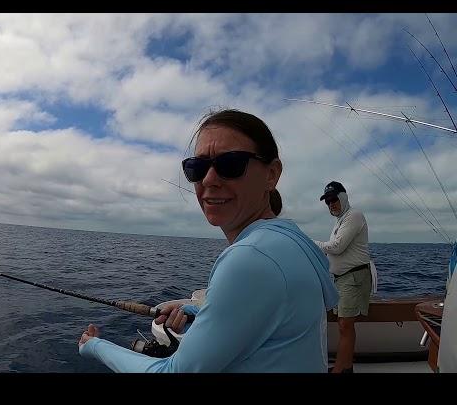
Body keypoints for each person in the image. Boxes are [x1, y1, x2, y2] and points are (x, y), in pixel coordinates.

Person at [78, 108, 338, 372]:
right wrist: (197, 312)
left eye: (231, 164)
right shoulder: (291, 241)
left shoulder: (252, 257)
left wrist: (95, 346)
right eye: (197, 167)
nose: (209, 179)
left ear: (271, 174)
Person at [314, 181, 371, 373]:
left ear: (343, 197)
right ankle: (346, 368)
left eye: (334, 199)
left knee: (345, 325)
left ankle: (339, 370)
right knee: (344, 325)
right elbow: (334, 248)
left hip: (353, 278)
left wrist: (311, 244)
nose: (331, 204)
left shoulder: (354, 215)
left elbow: (337, 247)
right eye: (328, 202)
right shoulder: (340, 221)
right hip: (342, 279)